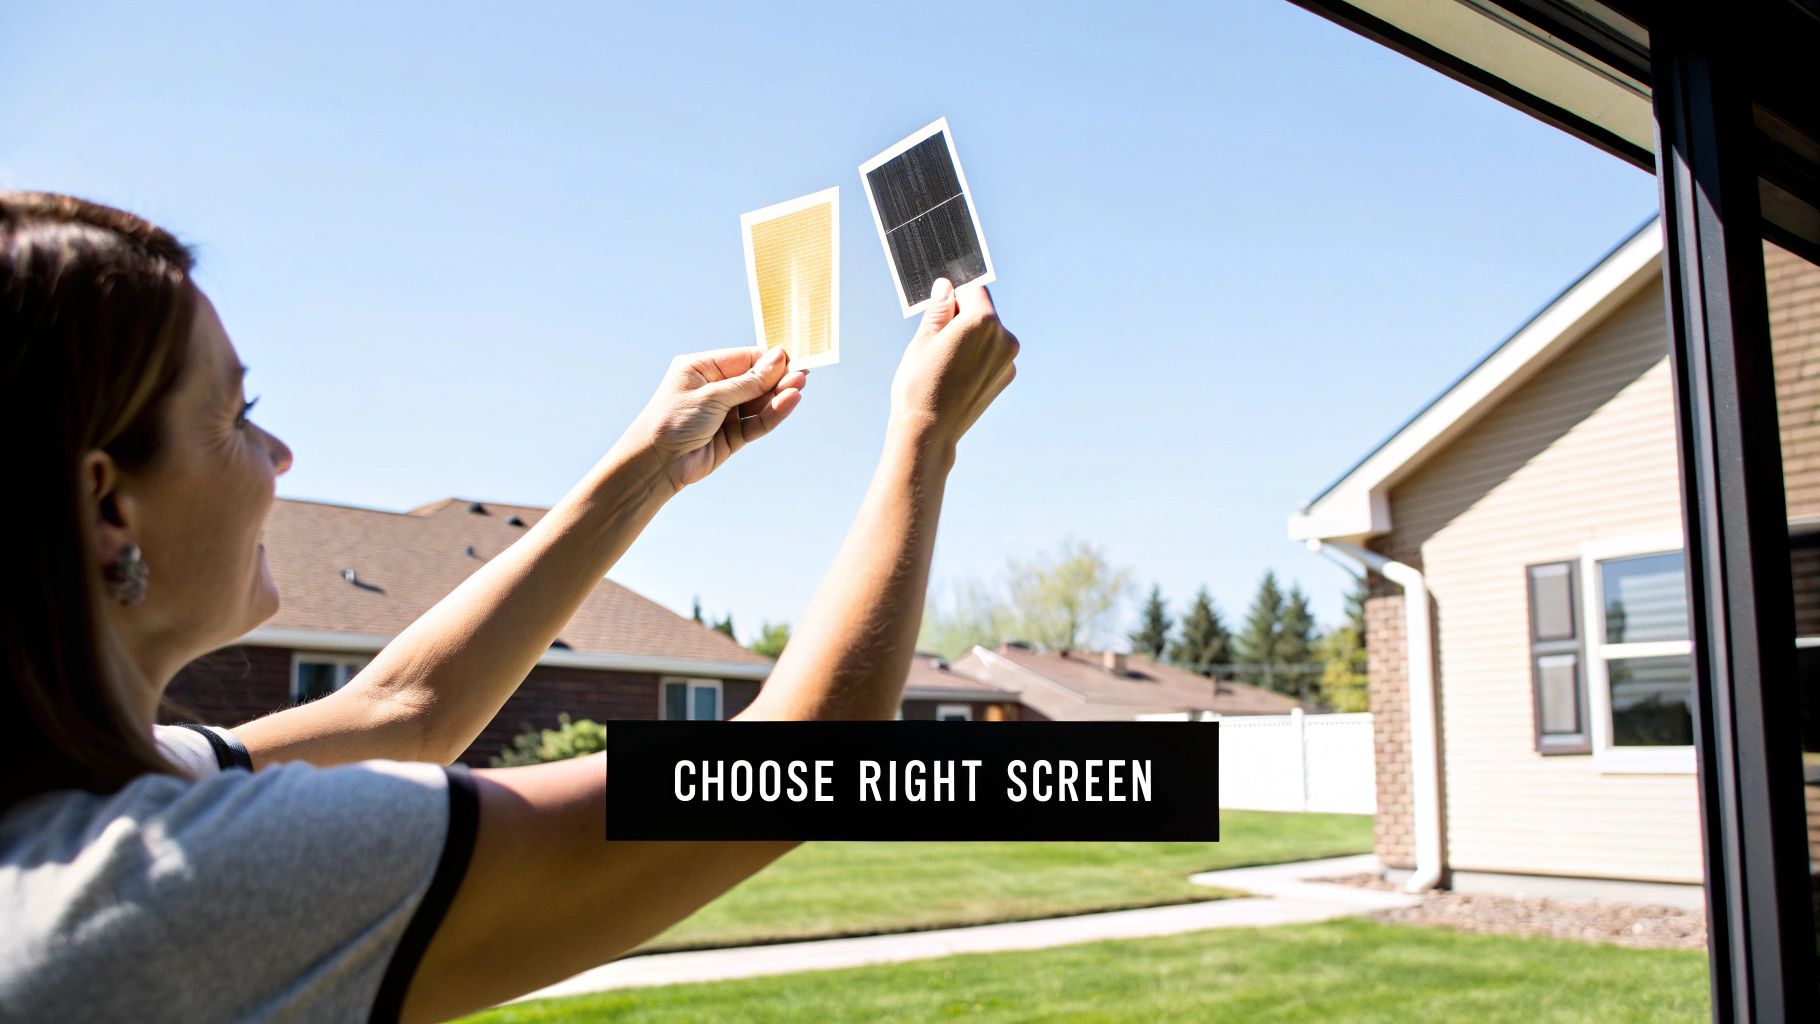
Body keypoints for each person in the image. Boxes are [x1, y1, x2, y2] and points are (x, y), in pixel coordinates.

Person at [0, 191, 1019, 1022]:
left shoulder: (76, 807)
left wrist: (647, 467)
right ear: (106, 506)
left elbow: (403, 711)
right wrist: (923, 434)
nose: (278, 458)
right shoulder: (171, 887)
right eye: (236, 415)